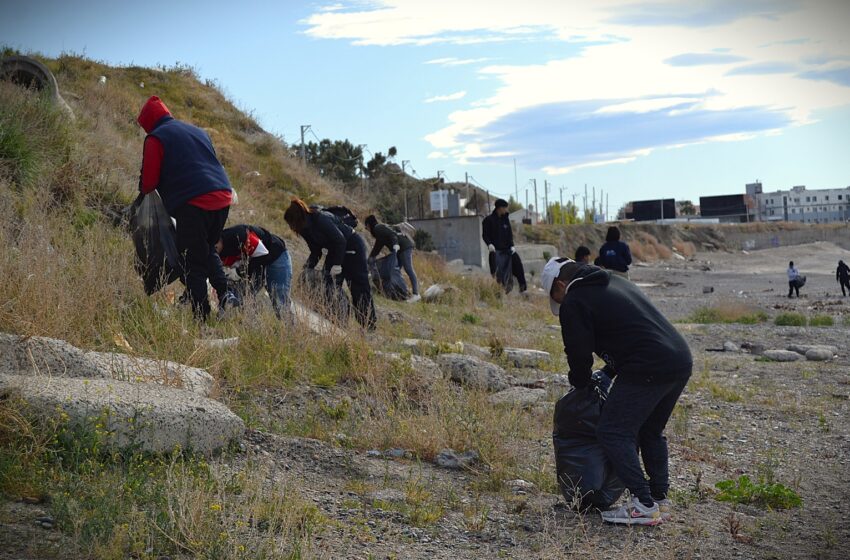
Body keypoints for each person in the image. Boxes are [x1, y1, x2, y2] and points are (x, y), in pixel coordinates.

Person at [541, 257, 692, 526]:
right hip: (679, 359)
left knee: (613, 431)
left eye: (556, 296)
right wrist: (607, 372)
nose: (560, 303)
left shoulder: (575, 299)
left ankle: (643, 504)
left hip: (647, 365)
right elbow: (631, 331)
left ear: (561, 284)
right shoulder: (613, 281)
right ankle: (659, 500)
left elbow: (578, 351)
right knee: (649, 431)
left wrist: (581, 384)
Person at [137, 95, 237, 321]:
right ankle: (226, 295)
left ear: (148, 122)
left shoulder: (156, 138)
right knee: (207, 247)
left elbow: (149, 184)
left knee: (192, 262)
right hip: (223, 196)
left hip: (194, 202)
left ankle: (202, 319)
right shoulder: (198, 131)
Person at [284, 198, 376, 330]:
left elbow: (340, 240)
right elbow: (315, 251)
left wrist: (337, 265)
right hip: (336, 250)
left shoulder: (320, 219)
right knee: (328, 285)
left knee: (358, 287)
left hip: (352, 246)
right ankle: (335, 322)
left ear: (297, 218)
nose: (291, 228)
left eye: (291, 224)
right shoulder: (305, 229)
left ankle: (368, 326)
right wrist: (307, 268)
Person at [216, 225, 291, 318]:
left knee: (280, 301)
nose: (216, 251)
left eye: (216, 247)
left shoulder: (239, 235)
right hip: (253, 264)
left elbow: (263, 254)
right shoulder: (213, 253)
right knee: (240, 295)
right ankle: (248, 323)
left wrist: (239, 272)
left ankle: (289, 328)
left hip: (275, 256)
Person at [364, 215, 420, 302]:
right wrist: (371, 258)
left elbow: (392, 233)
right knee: (395, 272)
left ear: (368, 225)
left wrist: (395, 244)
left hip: (404, 246)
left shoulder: (378, 227)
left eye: (366, 227)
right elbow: (377, 248)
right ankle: (401, 292)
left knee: (408, 269)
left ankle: (416, 294)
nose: (367, 229)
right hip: (399, 248)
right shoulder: (379, 234)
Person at [482, 199, 527, 293]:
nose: (506, 210)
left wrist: (512, 245)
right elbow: (485, 235)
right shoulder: (488, 220)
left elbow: (509, 234)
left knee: (518, 264)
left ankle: (523, 288)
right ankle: (498, 291)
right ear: (500, 208)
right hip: (495, 251)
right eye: (505, 208)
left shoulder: (505, 220)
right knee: (497, 272)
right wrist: (489, 244)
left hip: (507, 250)